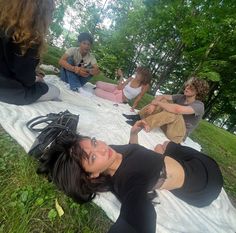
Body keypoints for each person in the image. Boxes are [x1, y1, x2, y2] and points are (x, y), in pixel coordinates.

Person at [37, 120, 223, 233]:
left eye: (94, 142)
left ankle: (164, 151)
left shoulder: (110, 154)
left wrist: (133, 134)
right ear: (93, 174)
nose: (102, 148)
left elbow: (133, 151)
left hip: (196, 165)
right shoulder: (130, 181)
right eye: (93, 157)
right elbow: (135, 219)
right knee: (163, 147)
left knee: (163, 146)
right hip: (206, 185)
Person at [0, 0, 60, 105]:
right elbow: (26, 80)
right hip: (8, 90)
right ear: (40, 14)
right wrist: (36, 78)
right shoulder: (28, 39)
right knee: (54, 90)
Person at [123, 76, 209, 143]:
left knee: (173, 111)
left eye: (191, 88)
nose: (187, 88)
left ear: (198, 91)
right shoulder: (181, 97)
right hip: (167, 126)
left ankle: (143, 124)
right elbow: (161, 96)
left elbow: (177, 110)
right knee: (163, 100)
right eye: (187, 86)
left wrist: (158, 103)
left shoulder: (199, 105)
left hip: (177, 135)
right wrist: (154, 104)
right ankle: (139, 117)